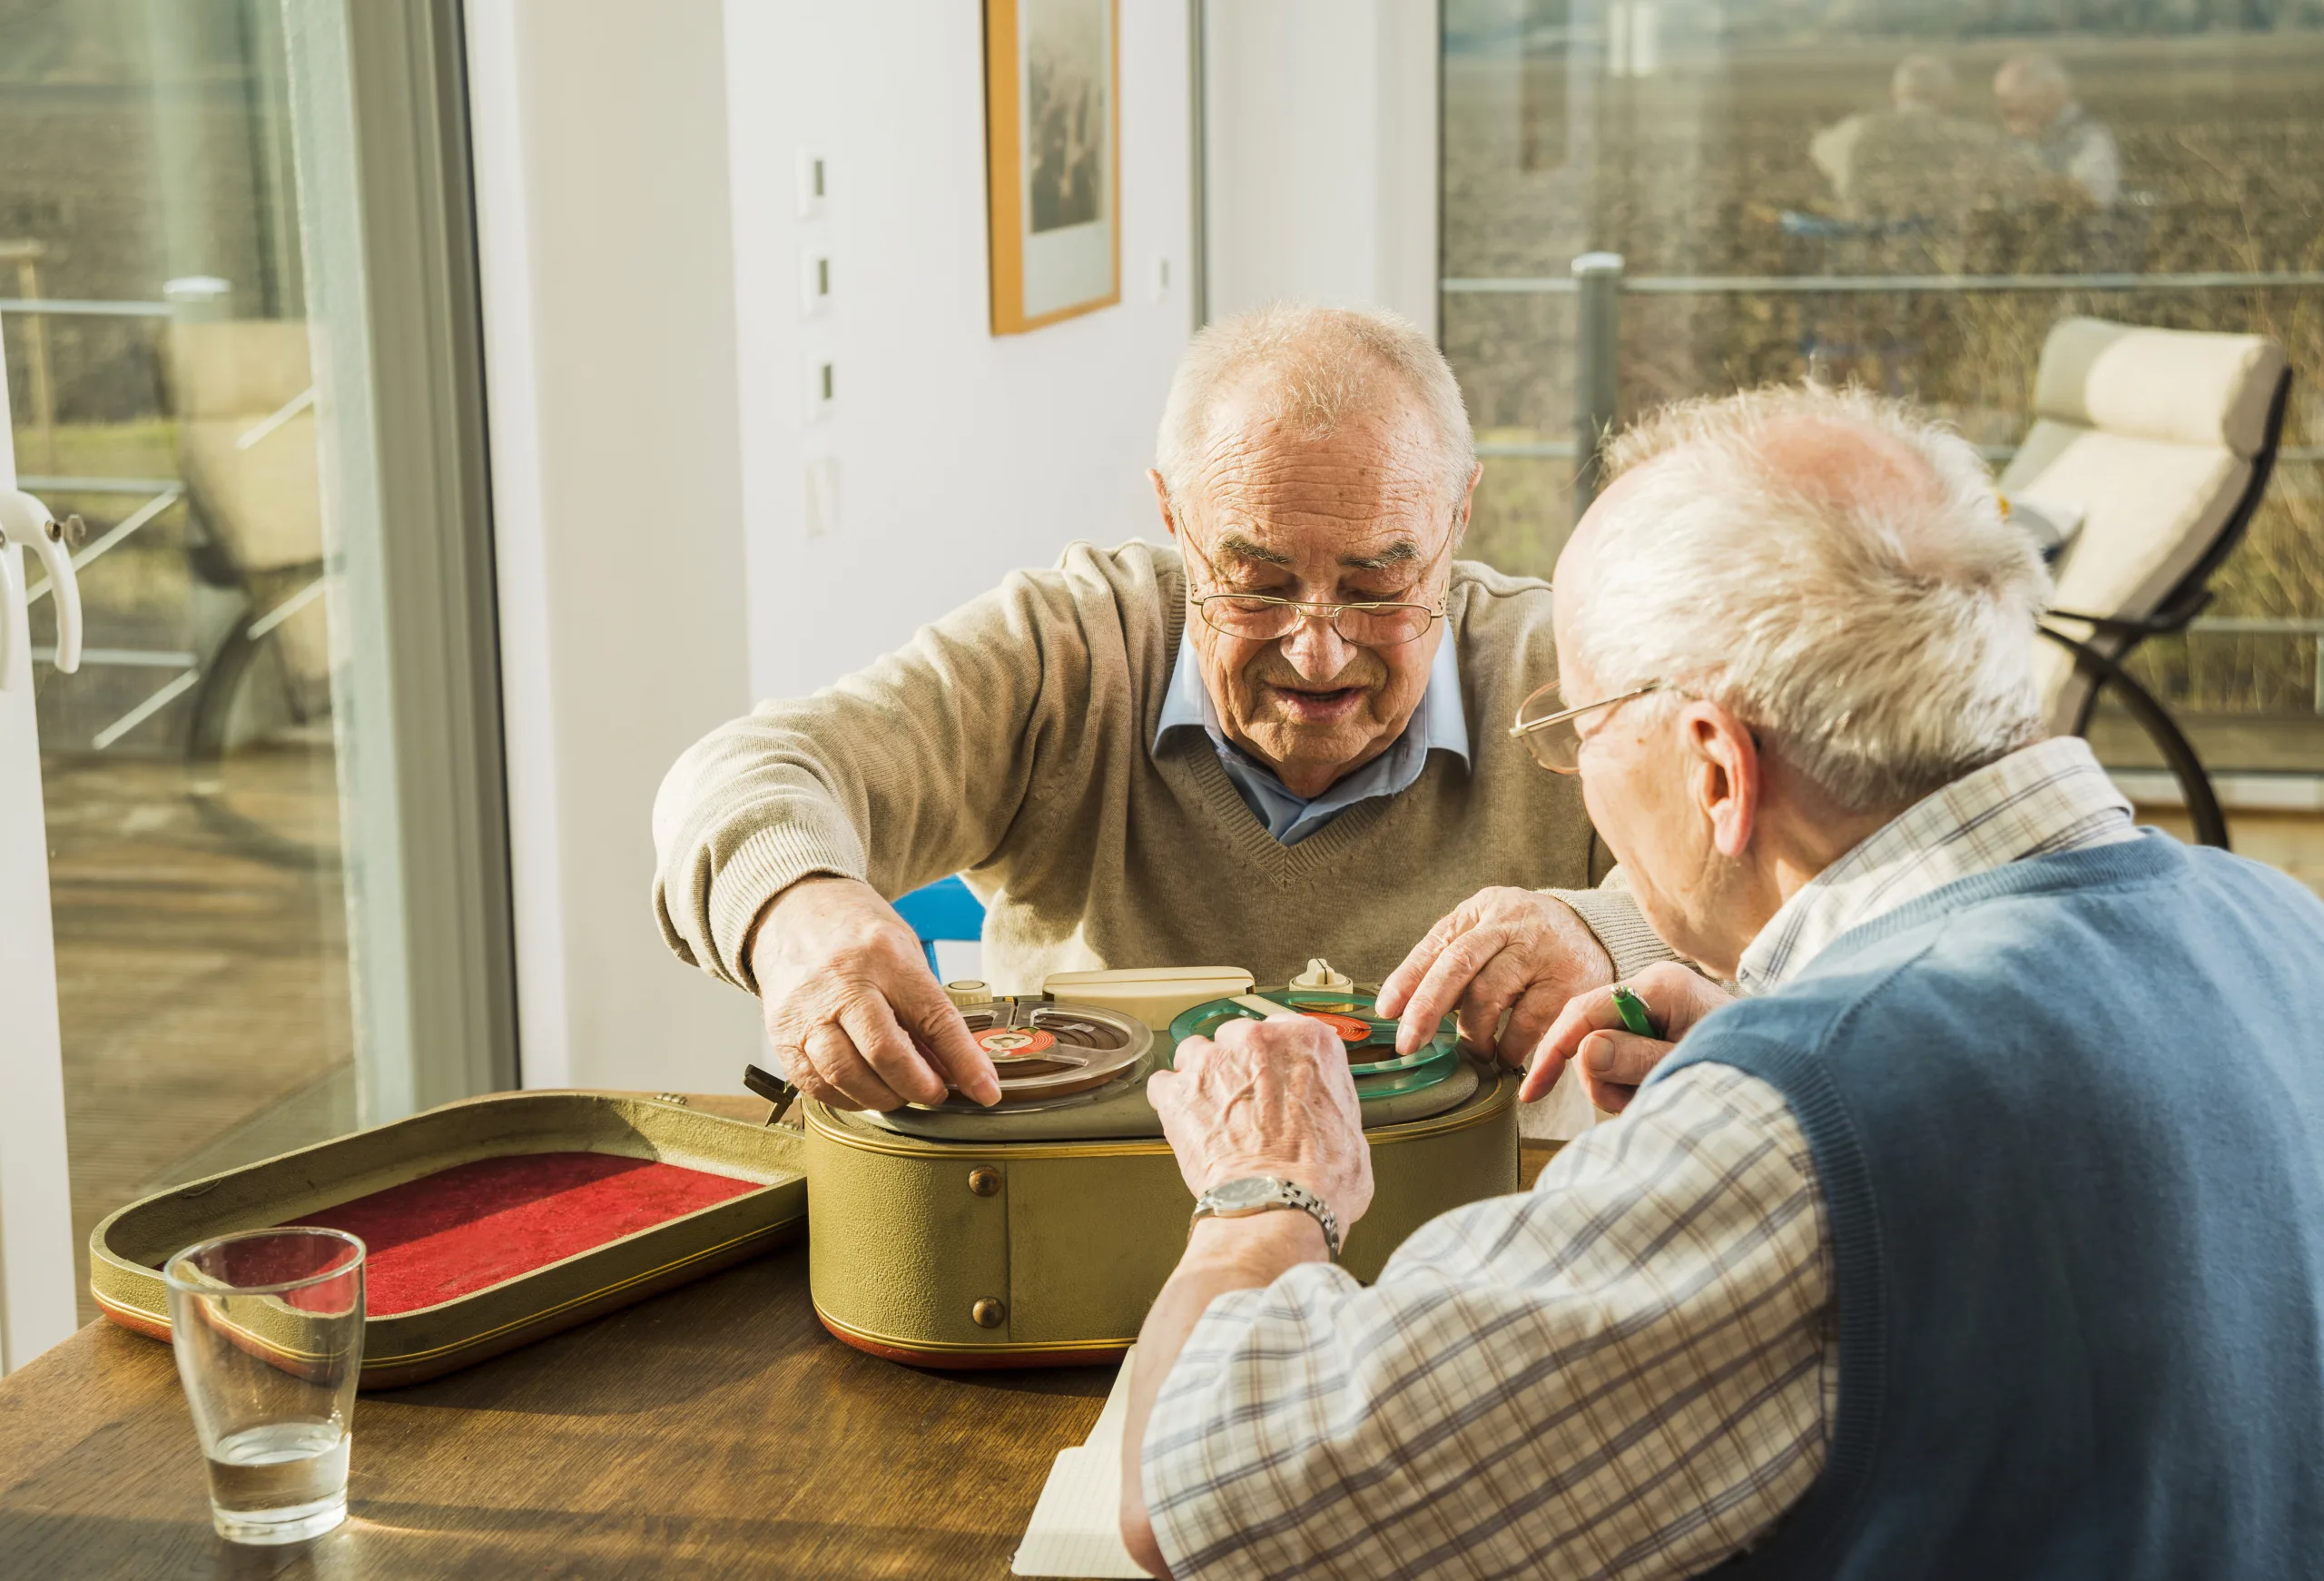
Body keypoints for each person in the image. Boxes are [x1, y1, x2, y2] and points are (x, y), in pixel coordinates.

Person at [1120, 383, 2324, 1576]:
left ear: (1715, 768)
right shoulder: (2281, 926)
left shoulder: (1788, 1127)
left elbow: (1204, 1501)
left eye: (1581, 728)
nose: (1575, 773)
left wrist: (1261, 1197)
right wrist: (1769, 1041)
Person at [652, 303, 1669, 1116]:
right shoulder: (1067, 652)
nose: (1317, 650)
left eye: (1374, 586)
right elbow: (745, 772)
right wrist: (802, 915)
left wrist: (1612, 937)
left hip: (1463, 1276)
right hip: (1084, 1265)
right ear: (1174, 518)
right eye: (1257, 581)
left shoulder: (1569, 667)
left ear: (1458, 518)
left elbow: (1790, 910)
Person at [1995, 52, 2122, 209]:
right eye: (2006, 107)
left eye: (2019, 109)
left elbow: (2095, 198)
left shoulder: (2090, 137)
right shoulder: (2022, 140)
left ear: (2052, 92)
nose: (2010, 121)